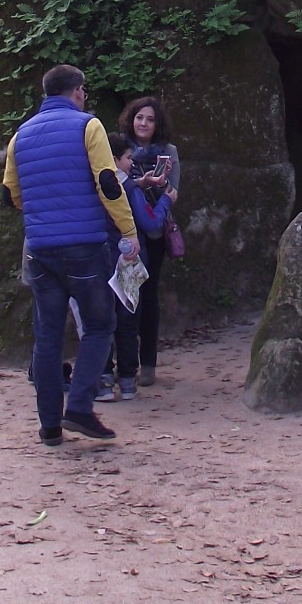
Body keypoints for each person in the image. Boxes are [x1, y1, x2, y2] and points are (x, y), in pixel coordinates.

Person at [2, 64, 135, 445]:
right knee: (98, 325)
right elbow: (108, 183)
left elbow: (10, 194)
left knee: (47, 337)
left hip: (40, 251)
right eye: (85, 92)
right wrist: (128, 230)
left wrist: (45, 213)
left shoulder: (20, 136)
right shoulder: (87, 125)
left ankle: (49, 426)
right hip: (85, 248)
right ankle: (78, 406)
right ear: (77, 92)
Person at [98, 132, 170, 402]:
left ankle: (104, 376)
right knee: (128, 319)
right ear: (116, 159)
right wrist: (165, 201)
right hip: (127, 261)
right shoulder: (127, 189)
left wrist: (142, 181)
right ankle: (128, 379)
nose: (132, 162)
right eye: (128, 158)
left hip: (100, 260)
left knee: (102, 319)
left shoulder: (94, 185)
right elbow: (150, 223)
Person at [117, 95, 180, 388]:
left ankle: (149, 363)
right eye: (139, 117)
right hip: (125, 235)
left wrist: (162, 183)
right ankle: (124, 365)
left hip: (153, 233)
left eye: (150, 119)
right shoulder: (119, 149)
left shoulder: (168, 152)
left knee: (149, 295)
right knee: (126, 297)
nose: (143, 123)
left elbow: (173, 192)